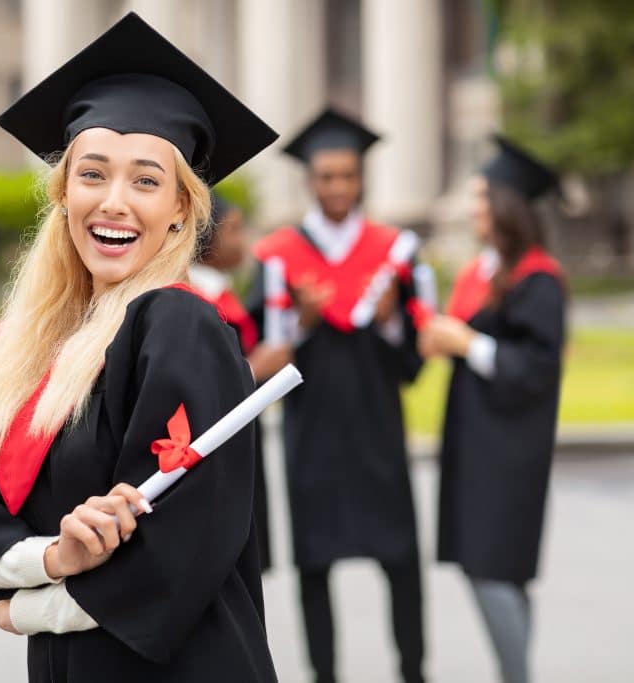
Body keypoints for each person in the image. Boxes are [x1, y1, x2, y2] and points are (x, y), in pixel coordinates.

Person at [0, 13, 279, 682]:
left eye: (146, 181)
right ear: (63, 193)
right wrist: (58, 556)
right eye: (92, 175)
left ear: (182, 207)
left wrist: (20, 610)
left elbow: (178, 553)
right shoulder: (27, 349)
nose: (113, 202)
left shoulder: (177, 326)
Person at [248, 107, 427, 683]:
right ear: (310, 180)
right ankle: (323, 674)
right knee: (314, 565)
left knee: (401, 559)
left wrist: (393, 320)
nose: (339, 187)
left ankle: (413, 669)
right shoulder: (279, 257)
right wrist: (300, 321)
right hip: (313, 433)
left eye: (348, 175)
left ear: (361, 178)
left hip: (378, 428)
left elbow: (412, 363)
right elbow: (262, 357)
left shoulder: (394, 252)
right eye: (327, 177)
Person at [420, 136, 566, 683]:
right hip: (479, 443)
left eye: (483, 198)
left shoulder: (538, 280)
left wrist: (467, 344)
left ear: (508, 207)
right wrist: (445, 339)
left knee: (492, 571)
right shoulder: (488, 271)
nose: (476, 208)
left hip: (509, 452)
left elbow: (536, 369)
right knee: (498, 571)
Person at [189, 193, 289, 571]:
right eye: (233, 230)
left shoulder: (219, 290)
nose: (242, 241)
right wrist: (254, 369)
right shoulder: (193, 299)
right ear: (205, 236)